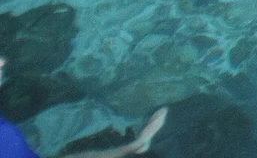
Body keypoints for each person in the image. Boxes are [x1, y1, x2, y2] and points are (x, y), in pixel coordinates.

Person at [0, 58, 166, 158]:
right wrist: (133, 146)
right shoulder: (7, 138)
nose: (2, 62)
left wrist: (132, 146)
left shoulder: (7, 138)